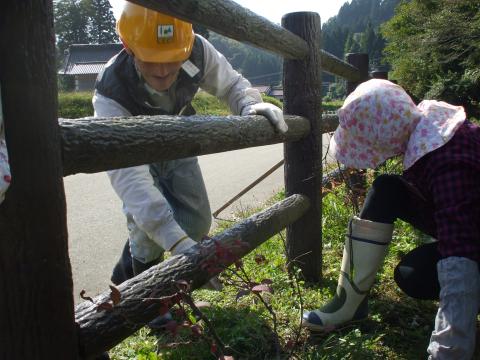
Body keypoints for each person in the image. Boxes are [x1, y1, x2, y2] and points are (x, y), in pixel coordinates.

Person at [92, 3, 288, 289]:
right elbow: (133, 183)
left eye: (172, 58)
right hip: (136, 153)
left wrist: (251, 105)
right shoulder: (110, 93)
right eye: (150, 58)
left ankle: (125, 273)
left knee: (197, 221)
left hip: (178, 142)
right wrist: (177, 243)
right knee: (145, 230)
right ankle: (151, 302)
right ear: (128, 45)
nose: (162, 70)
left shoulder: (198, 50)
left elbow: (232, 85)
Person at [302, 79, 480, 359]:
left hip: (471, 245)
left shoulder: (449, 163)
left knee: (414, 276)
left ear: (383, 136)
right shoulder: (423, 130)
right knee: (387, 186)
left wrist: (450, 350)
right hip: (471, 229)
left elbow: (461, 252)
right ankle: (350, 303)